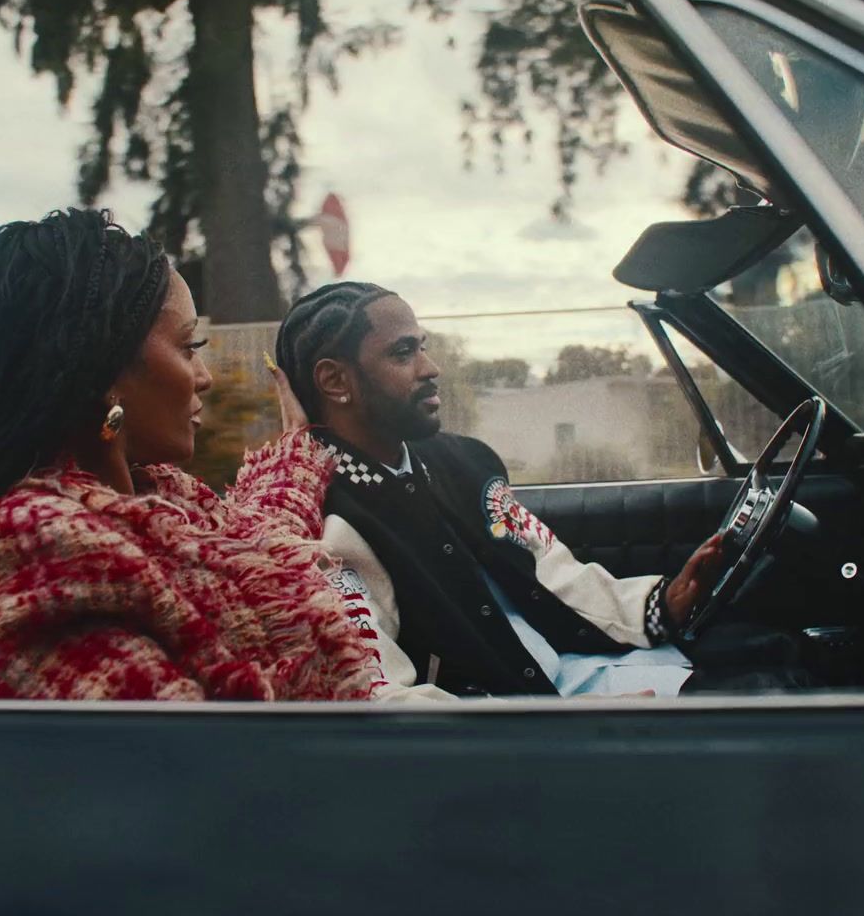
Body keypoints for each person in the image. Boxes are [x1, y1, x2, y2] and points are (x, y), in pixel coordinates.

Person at [0, 210, 377, 701]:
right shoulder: (37, 558)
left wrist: (295, 450)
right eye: (187, 348)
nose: (204, 377)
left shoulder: (158, 498)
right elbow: (195, 784)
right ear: (104, 375)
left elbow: (248, 544)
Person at [273, 281, 797, 701]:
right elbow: (382, 695)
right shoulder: (324, 529)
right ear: (335, 382)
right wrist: (561, 732)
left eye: (423, 347)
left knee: (779, 654)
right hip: (522, 733)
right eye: (403, 352)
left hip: (582, 668)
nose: (430, 368)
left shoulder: (465, 463)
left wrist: (660, 604)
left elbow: (550, 568)